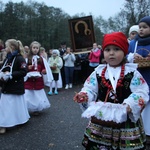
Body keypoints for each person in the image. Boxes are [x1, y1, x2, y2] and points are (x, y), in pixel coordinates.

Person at [73, 32, 149, 150]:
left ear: (124, 52)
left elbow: (141, 92)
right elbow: (90, 88)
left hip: (125, 118)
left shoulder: (132, 73)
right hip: (102, 119)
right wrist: (85, 95)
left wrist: (130, 104)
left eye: (116, 49)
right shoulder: (98, 72)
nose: (111, 53)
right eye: (107, 49)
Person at [128, 16, 150, 145]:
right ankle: (138, 131)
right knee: (138, 103)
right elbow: (125, 55)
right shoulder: (133, 43)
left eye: (145, 27)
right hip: (138, 78)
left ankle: (148, 132)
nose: (141, 30)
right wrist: (132, 56)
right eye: (140, 27)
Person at [0, 39, 30, 134]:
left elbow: (23, 72)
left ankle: (5, 124)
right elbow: (3, 68)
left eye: (6, 46)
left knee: (12, 105)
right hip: (7, 86)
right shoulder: (8, 58)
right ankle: (7, 122)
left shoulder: (19, 58)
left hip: (16, 86)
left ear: (12, 47)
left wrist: (11, 74)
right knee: (6, 105)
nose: (5, 48)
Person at [24, 41, 51, 115]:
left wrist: (44, 71)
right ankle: (27, 108)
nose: (35, 49)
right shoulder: (27, 58)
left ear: (39, 49)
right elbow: (23, 68)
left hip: (38, 79)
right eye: (34, 48)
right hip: (29, 79)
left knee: (37, 94)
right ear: (31, 48)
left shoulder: (41, 59)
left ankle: (36, 109)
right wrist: (27, 68)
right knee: (28, 94)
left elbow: (44, 68)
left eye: (37, 48)